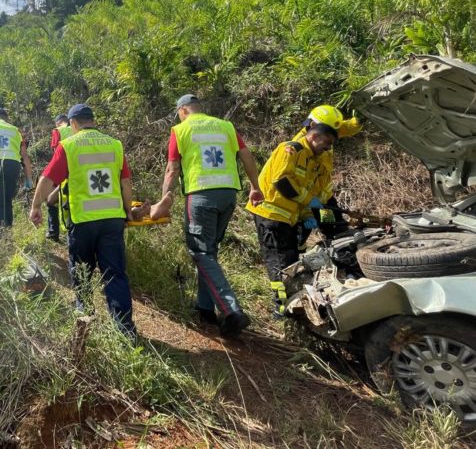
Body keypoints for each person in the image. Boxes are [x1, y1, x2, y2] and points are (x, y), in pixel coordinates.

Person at [152, 94, 263, 337]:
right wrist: (255, 187)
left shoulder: (180, 130)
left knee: (200, 253)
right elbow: (246, 156)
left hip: (201, 195)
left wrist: (165, 199)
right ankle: (205, 309)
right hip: (228, 196)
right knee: (209, 252)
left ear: (183, 111)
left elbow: (172, 168)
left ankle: (231, 310)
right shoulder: (226, 126)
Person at [29, 104, 136, 337]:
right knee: (115, 273)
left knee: (81, 271)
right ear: (92, 120)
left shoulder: (69, 146)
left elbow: (47, 179)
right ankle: (125, 330)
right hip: (113, 220)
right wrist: (128, 210)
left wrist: (36, 206)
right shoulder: (115, 145)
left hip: (83, 221)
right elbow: (125, 184)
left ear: (73, 123)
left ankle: (85, 317)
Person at [246, 123, 339, 318]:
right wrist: (310, 201)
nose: (328, 148)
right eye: (327, 142)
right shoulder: (291, 150)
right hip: (270, 214)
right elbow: (282, 182)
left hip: (288, 218)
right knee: (280, 263)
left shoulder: (313, 160)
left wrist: (308, 216)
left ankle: (291, 303)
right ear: (314, 137)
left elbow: (305, 193)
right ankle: (281, 308)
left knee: (291, 261)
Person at [292, 105, 361, 249]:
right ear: (314, 127)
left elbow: (346, 128)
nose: (330, 143)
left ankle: (341, 253)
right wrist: (306, 208)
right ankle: (297, 255)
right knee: (299, 238)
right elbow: (297, 181)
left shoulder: (324, 132)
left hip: (323, 200)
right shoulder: (299, 146)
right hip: (307, 200)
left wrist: (359, 119)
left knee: (336, 229)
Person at [46, 114, 73, 241]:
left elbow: (57, 153)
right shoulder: (77, 128)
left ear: (58, 122)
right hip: (80, 169)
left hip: (64, 170)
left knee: (51, 200)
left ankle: (53, 232)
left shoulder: (57, 131)